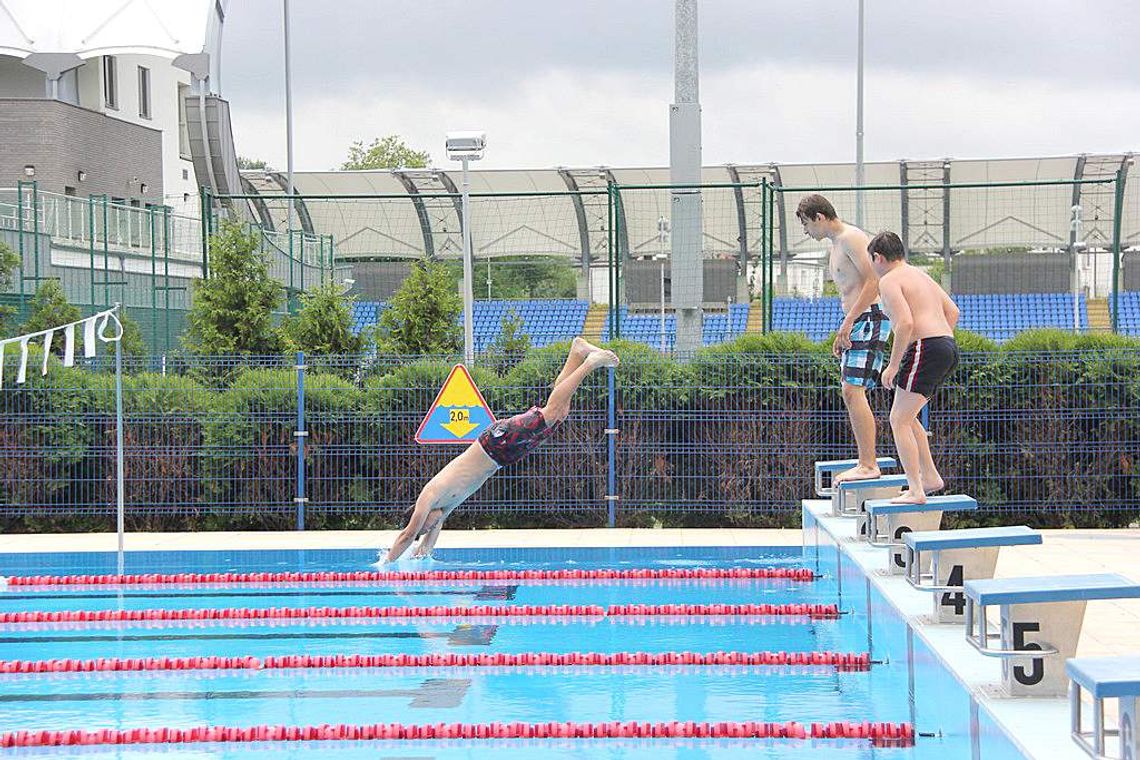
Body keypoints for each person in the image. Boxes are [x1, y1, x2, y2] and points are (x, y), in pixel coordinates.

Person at [383, 338, 619, 563]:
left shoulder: (429, 497)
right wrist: (416, 557)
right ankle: (577, 352)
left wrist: (386, 564)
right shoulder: (443, 509)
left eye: (426, 526)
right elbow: (425, 549)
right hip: (502, 456)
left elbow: (407, 535)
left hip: (495, 442)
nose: (430, 528)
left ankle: (590, 363)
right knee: (559, 415)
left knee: (550, 413)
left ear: (420, 516)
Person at [796, 194, 891, 485]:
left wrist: (848, 322)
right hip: (857, 319)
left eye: (806, 225)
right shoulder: (838, 245)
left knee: (852, 390)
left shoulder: (851, 238)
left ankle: (868, 464)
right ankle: (866, 461)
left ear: (819, 217)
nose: (806, 232)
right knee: (849, 390)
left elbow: (874, 281)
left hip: (870, 316)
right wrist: (845, 324)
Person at [868, 231, 960, 505]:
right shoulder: (920, 275)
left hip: (927, 346)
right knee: (908, 417)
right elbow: (952, 312)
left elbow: (905, 323)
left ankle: (916, 489)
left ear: (878, 257)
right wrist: (939, 341)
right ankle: (930, 477)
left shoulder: (888, 280)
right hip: (947, 345)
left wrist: (893, 366)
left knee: (898, 420)